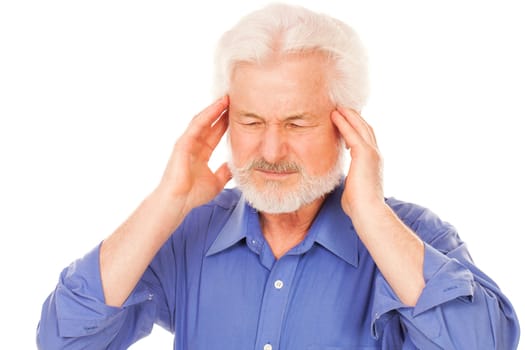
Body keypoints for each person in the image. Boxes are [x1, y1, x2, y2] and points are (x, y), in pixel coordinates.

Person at [37, 3, 520, 349]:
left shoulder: (415, 238)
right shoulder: (187, 233)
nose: (270, 151)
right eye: (250, 122)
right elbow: (63, 339)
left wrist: (370, 213)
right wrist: (169, 199)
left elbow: (483, 344)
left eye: (296, 123)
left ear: (345, 124)